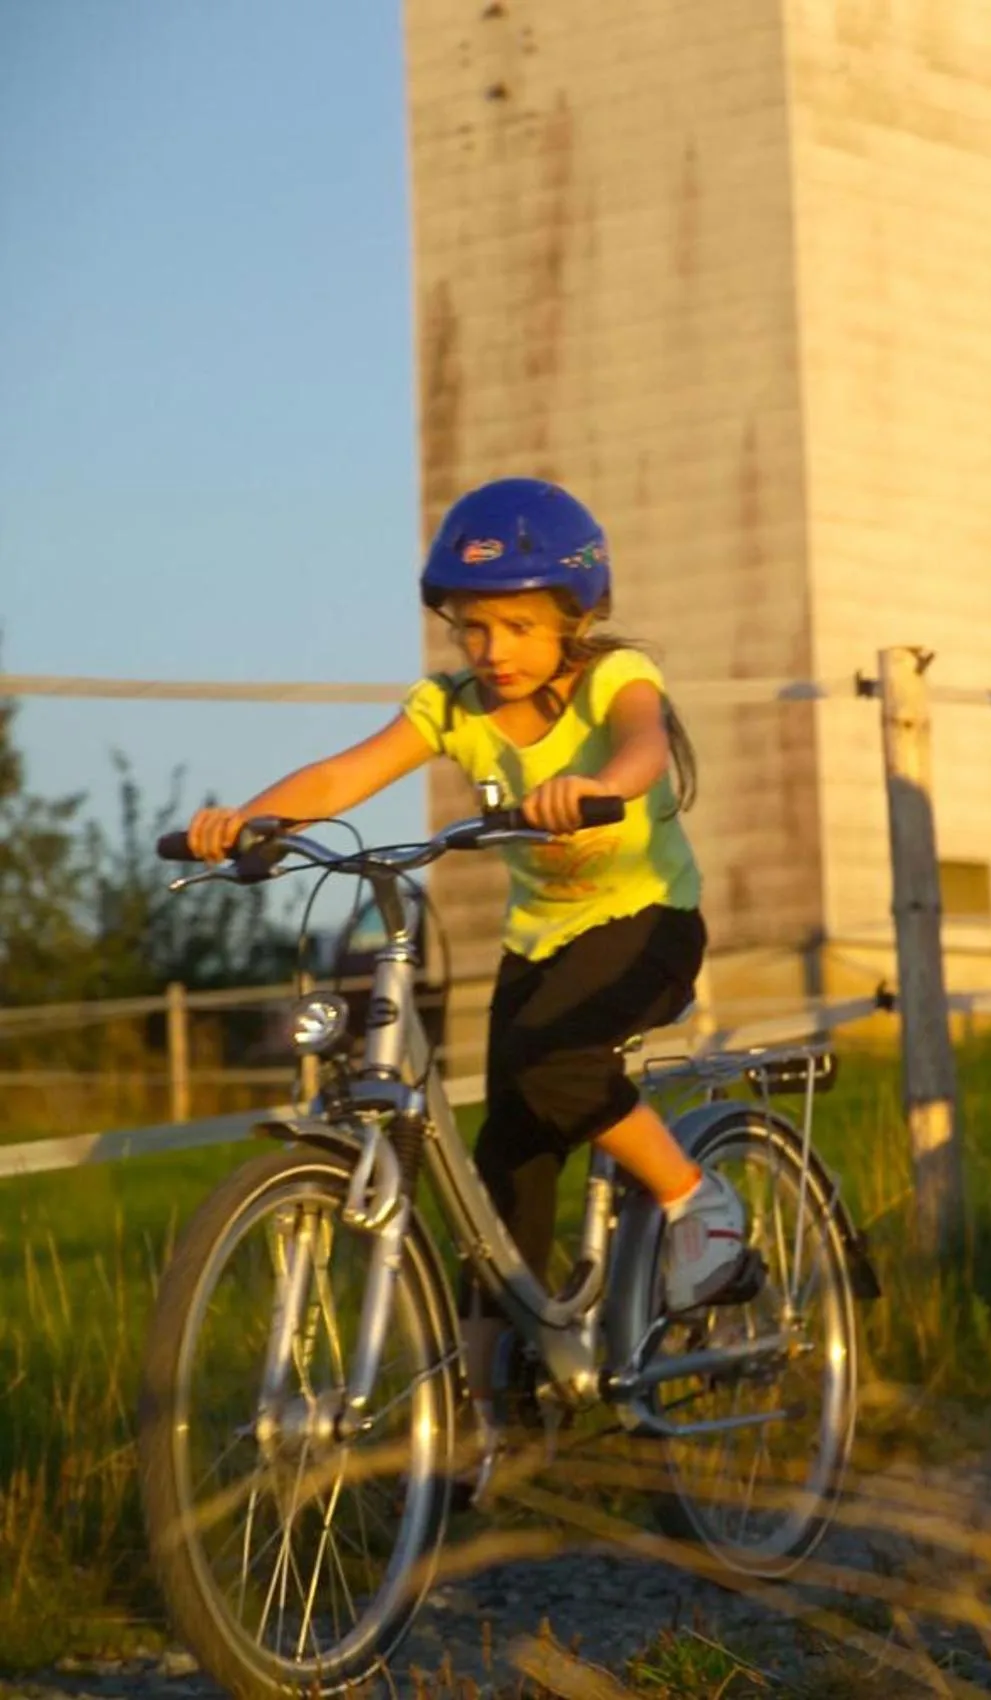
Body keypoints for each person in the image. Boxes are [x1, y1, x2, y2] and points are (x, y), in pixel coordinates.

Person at [184, 477, 753, 1490]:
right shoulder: (449, 707)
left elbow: (643, 740)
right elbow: (342, 776)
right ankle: (491, 1415)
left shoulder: (609, 677)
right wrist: (253, 820)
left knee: (558, 1067)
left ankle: (693, 1198)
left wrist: (601, 787)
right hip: (539, 942)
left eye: (518, 625)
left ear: (576, 617)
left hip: (646, 924)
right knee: (502, 1162)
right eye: (472, 626)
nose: (492, 648)